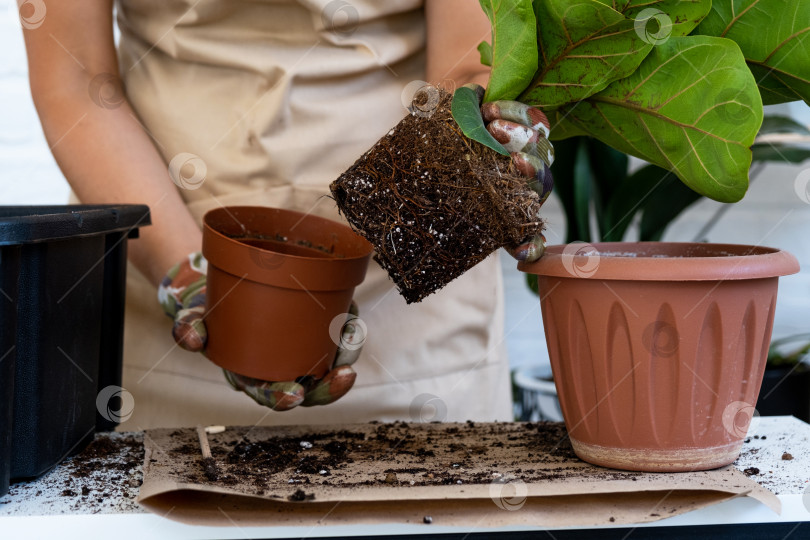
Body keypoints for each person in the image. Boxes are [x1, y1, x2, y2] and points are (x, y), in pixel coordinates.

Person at [21, 0, 553, 429]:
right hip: (159, 282)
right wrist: (189, 278)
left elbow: (472, 55)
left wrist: (484, 145)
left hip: (408, 325)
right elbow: (77, 80)